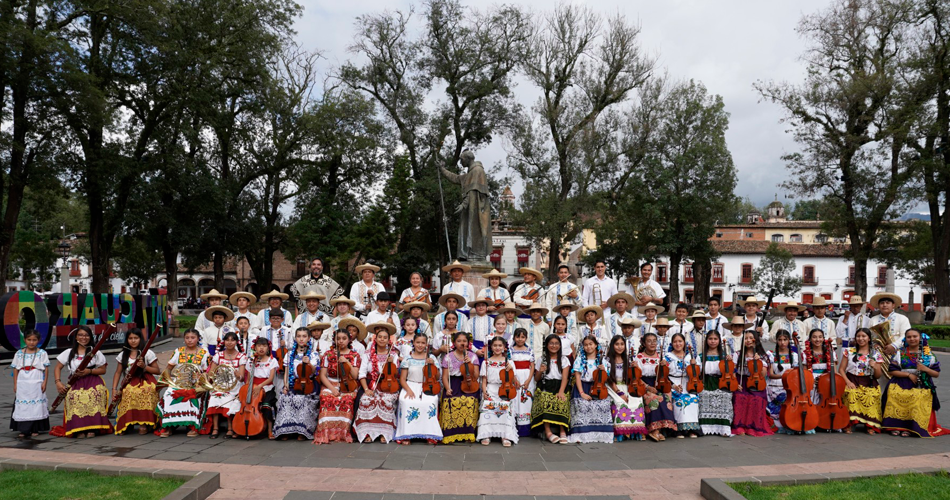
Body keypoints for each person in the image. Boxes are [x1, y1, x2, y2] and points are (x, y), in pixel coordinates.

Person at [882, 329, 946, 438]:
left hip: (921, 383)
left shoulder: (928, 354)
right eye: (909, 337)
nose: (912, 339)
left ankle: (912, 428)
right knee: (895, 393)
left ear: (920, 338)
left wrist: (925, 369)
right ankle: (895, 426)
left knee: (917, 396)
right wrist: (908, 375)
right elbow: (891, 371)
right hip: (900, 381)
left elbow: (936, 374)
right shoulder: (899, 353)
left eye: (915, 336)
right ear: (905, 339)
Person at [52, 325, 111, 439]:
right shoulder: (68, 352)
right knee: (74, 396)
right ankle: (78, 428)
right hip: (75, 381)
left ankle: (93, 428)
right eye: (80, 335)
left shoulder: (95, 352)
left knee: (94, 395)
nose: (83, 338)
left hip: (93, 380)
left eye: (86, 335)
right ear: (76, 337)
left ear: (90, 337)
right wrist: (58, 382)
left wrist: (89, 371)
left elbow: (103, 370)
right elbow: (57, 367)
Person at [157, 329, 209, 438]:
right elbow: (169, 368)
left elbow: (206, 372)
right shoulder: (178, 351)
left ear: (198, 339)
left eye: (193, 338)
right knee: (169, 395)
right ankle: (169, 426)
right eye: (187, 338)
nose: (190, 340)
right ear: (184, 339)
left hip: (196, 383)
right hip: (179, 382)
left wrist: (200, 378)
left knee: (192, 397)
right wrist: (169, 380)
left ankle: (192, 426)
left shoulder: (204, 353)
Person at [394, 333, 443, 444]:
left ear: (426, 344)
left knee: (430, 402)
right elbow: (402, 379)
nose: (420, 345)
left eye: (423, 343)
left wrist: (433, 365)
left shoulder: (431, 357)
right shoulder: (408, 358)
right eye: (418, 342)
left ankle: (429, 434)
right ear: (414, 343)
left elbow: (437, 377)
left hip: (427, 385)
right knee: (406, 402)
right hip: (410, 385)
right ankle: (406, 434)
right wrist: (408, 390)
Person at [354, 323, 399, 444]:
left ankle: (385, 433)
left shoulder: (393, 354)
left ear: (388, 340)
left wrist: (391, 364)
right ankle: (367, 433)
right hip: (371, 384)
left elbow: (395, 374)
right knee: (365, 400)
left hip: (388, 385)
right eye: (380, 337)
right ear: (375, 339)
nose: (382, 339)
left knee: (386, 401)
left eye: (385, 337)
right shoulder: (368, 354)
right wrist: (366, 389)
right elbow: (362, 374)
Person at [314, 329, 361, 444]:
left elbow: (355, 375)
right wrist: (332, 389)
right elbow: (322, 375)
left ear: (349, 340)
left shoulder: (354, 355)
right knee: (326, 397)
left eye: (344, 338)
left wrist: (347, 362)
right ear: (334, 340)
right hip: (330, 383)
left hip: (348, 384)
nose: (341, 341)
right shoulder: (328, 354)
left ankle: (343, 433)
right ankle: (326, 433)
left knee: (348, 398)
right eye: (338, 338)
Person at [274, 328, 320, 441]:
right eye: (299, 336)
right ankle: (285, 430)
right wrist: (286, 386)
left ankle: (303, 430)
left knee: (304, 400)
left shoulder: (313, 354)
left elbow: (315, 371)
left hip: (309, 385)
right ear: (295, 338)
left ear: (309, 338)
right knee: (285, 398)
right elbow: (286, 372)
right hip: (293, 383)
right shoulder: (289, 354)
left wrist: (309, 363)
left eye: (304, 336)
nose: (301, 339)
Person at [112, 328, 159, 436]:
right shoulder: (123, 354)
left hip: (146, 379)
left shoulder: (148, 352)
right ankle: (127, 423)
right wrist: (114, 389)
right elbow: (118, 373)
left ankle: (144, 423)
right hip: (129, 380)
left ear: (140, 339)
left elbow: (157, 371)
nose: (133, 341)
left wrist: (144, 367)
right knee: (129, 391)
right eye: (130, 338)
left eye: (136, 338)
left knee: (145, 391)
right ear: (127, 340)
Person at [837, 328, 883, 435]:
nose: (861, 338)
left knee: (870, 395)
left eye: (864, 336)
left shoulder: (875, 354)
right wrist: (848, 382)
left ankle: (870, 424)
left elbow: (878, 376)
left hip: (868, 382)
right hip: (851, 379)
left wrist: (875, 366)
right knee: (851, 393)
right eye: (858, 336)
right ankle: (849, 423)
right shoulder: (849, 351)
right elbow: (841, 370)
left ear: (869, 338)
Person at [569, 335, 613, 444]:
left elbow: (606, 378)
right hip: (582, 387)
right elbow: (577, 377)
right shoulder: (580, 359)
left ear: (596, 345)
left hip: (598, 388)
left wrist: (604, 370)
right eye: (585, 345)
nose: (588, 347)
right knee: (582, 405)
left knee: (604, 405)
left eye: (591, 344)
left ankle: (602, 435)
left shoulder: (602, 360)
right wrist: (582, 393)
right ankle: (581, 435)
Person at [477, 336, 519, 446]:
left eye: (500, 345)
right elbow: (484, 380)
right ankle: (486, 434)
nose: (497, 348)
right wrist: (484, 392)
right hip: (491, 389)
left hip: (505, 390)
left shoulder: (509, 362)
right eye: (495, 345)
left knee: (505, 411)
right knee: (488, 411)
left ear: (504, 347)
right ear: (491, 347)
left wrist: (511, 369)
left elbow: (514, 381)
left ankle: (505, 435)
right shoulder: (486, 362)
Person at [440, 331, 481, 444]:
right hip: (453, 383)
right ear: (454, 343)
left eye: (464, 341)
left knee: (470, 401)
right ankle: (450, 434)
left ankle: (468, 433)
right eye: (459, 341)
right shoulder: (448, 356)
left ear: (468, 343)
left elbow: (476, 376)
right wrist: (448, 388)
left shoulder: (473, 356)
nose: (462, 343)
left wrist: (470, 365)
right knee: (450, 401)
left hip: (469, 383)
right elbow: (445, 376)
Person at [604, 335, 647, 441]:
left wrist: (635, 367)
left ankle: (635, 431)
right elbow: (609, 379)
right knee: (620, 402)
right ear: (612, 346)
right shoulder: (607, 360)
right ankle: (620, 433)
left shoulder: (628, 359)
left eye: (622, 344)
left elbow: (636, 376)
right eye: (617, 344)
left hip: (627, 386)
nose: (619, 347)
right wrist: (619, 393)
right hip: (613, 387)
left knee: (637, 400)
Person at [636, 332, 676, 441]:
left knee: (666, 397)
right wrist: (648, 387)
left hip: (658, 384)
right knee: (653, 399)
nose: (652, 343)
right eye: (649, 341)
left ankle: (659, 430)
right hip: (644, 384)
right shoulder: (639, 357)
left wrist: (664, 366)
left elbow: (664, 375)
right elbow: (637, 377)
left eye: (654, 341)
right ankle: (654, 430)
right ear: (644, 343)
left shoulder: (660, 357)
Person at [531, 334, 571, 443]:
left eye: (556, 343)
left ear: (560, 345)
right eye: (551, 343)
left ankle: (562, 431)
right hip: (546, 385)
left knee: (561, 400)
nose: (554, 346)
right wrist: (540, 371)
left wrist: (561, 392)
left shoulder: (564, 360)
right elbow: (537, 378)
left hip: (560, 385)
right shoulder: (541, 359)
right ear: (547, 345)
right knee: (545, 400)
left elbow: (565, 378)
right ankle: (548, 432)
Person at [732, 331, 773, 436]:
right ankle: (739, 426)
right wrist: (736, 383)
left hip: (757, 383)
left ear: (756, 340)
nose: (748, 340)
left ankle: (753, 427)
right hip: (742, 381)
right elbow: (733, 371)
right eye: (746, 338)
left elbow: (763, 374)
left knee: (757, 398)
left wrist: (759, 362)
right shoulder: (738, 354)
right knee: (739, 396)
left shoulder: (763, 355)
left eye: (751, 338)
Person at [206, 332, 246, 439]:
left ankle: (230, 428)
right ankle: (215, 428)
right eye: (227, 340)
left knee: (229, 398)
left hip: (235, 385)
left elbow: (242, 377)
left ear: (236, 342)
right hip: (220, 383)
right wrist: (209, 379)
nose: (229, 342)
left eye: (232, 340)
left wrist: (238, 375)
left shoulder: (241, 357)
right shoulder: (218, 356)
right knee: (215, 397)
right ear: (224, 342)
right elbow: (211, 373)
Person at [11, 330, 50, 438]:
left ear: (38, 340)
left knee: (36, 402)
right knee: (23, 403)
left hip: (36, 378)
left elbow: (46, 369)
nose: (31, 342)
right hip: (23, 380)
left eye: (34, 340)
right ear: (25, 340)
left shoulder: (42, 353)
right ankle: (23, 429)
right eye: (29, 340)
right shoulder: (19, 353)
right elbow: (15, 369)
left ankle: (35, 428)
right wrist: (15, 384)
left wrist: (45, 382)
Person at [666, 333, 701, 438]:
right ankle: (679, 430)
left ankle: (692, 429)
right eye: (675, 342)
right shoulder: (667, 356)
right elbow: (663, 375)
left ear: (684, 343)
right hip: (672, 383)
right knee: (680, 399)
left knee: (693, 398)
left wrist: (694, 365)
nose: (678, 344)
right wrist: (673, 386)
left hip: (688, 383)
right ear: (672, 343)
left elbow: (697, 372)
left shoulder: (690, 356)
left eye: (680, 341)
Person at [698, 331, 733, 437]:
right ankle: (705, 427)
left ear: (719, 340)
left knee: (725, 395)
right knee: (703, 395)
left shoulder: (724, 356)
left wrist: (729, 362)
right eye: (710, 339)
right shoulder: (701, 356)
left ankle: (723, 428)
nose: (712, 341)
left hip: (720, 382)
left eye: (715, 339)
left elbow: (730, 372)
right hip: (706, 381)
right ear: (706, 340)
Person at [244, 337, 279, 439]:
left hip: (267, 387)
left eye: (264, 346)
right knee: (246, 404)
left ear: (268, 348)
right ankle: (247, 428)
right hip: (253, 387)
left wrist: (260, 386)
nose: (261, 348)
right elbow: (248, 379)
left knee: (266, 405)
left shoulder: (272, 360)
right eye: (259, 346)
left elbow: (271, 378)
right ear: (255, 348)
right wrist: (246, 390)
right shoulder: (251, 360)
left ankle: (270, 430)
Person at [766, 330, 797, 435]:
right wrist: (784, 376)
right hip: (773, 386)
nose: (782, 342)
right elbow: (770, 374)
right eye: (780, 340)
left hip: (788, 387)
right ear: (776, 340)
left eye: (785, 340)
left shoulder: (794, 355)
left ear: (789, 340)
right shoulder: (771, 354)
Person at [509, 328, 536, 437]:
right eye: (518, 337)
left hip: (526, 377)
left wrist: (528, 380)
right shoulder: (510, 350)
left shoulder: (530, 350)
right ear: (514, 337)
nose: (520, 339)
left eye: (523, 337)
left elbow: (532, 366)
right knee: (515, 400)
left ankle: (525, 428)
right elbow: (510, 365)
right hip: (515, 377)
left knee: (526, 401)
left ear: (526, 338)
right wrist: (514, 379)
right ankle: (513, 426)